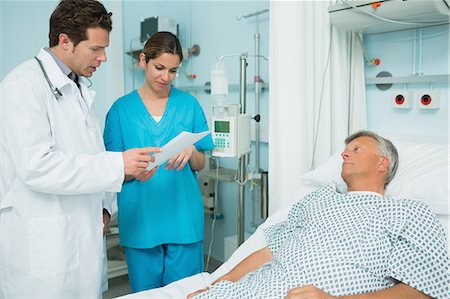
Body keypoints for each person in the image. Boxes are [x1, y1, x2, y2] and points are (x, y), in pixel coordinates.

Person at [0, 1, 161, 298]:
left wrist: (103, 206)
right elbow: (37, 166)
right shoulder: (22, 85)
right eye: (96, 49)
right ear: (65, 41)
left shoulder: (76, 88)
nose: (103, 58)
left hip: (81, 243)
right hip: (44, 254)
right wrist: (117, 166)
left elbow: (88, 158)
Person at [188, 130, 450, 299]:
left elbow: (424, 290)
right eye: (346, 149)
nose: (345, 153)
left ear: (383, 163)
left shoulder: (406, 212)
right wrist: (214, 286)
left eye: (356, 149)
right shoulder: (319, 198)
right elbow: (268, 252)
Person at [103, 31, 214, 292]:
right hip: (141, 222)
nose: (166, 77)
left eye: (173, 71)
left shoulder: (189, 105)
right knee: (146, 295)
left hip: (183, 220)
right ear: (143, 60)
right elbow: (111, 170)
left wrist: (191, 152)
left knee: (186, 294)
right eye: (159, 68)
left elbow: (201, 163)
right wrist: (133, 170)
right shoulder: (120, 110)